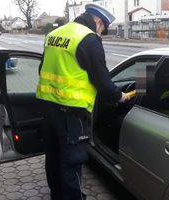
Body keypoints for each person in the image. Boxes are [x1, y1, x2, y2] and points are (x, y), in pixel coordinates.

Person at [36, 3, 130, 200]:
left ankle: (57, 196)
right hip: (72, 114)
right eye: (103, 27)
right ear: (97, 21)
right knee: (71, 163)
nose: (102, 32)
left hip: (47, 107)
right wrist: (119, 96)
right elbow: (102, 80)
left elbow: (42, 69)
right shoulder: (88, 38)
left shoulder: (56, 34)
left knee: (53, 158)